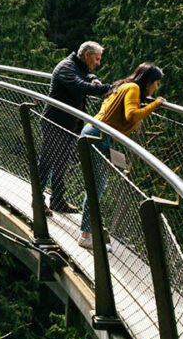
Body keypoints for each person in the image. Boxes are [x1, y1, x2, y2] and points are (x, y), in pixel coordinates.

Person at [79, 63, 166, 248]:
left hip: (96, 133)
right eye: (156, 83)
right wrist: (156, 104)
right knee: (96, 189)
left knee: (96, 187)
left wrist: (147, 103)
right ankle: (86, 236)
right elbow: (131, 115)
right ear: (148, 82)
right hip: (99, 137)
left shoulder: (125, 85)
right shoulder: (133, 88)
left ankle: (88, 232)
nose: (156, 87)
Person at [37, 42, 110, 214]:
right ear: (87, 55)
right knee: (47, 162)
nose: (98, 63)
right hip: (55, 122)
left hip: (68, 123)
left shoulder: (78, 66)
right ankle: (37, 201)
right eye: (97, 59)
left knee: (61, 162)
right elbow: (79, 86)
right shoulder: (66, 67)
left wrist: (92, 78)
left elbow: (85, 76)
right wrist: (108, 88)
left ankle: (57, 201)